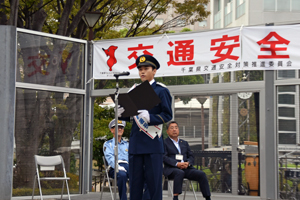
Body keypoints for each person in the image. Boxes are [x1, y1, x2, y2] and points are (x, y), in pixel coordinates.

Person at [118, 54, 173, 200]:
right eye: (140, 69)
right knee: (135, 184)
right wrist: (120, 113)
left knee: (154, 184)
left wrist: (151, 117)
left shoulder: (161, 90)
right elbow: (129, 117)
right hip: (136, 144)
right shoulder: (133, 91)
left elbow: (167, 115)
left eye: (146, 68)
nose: (142, 72)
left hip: (153, 143)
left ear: (154, 71)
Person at [163, 121, 211, 200]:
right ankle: (176, 197)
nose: (174, 130)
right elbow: (164, 157)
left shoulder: (184, 143)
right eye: (172, 128)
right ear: (167, 131)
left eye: (176, 128)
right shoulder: (164, 143)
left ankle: (208, 197)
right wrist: (176, 164)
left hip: (186, 168)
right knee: (179, 172)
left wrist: (188, 163)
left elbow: (191, 156)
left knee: (201, 174)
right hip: (172, 169)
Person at [103, 119, 129, 200]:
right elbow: (109, 158)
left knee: (143, 174)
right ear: (112, 130)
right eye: (118, 127)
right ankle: (123, 198)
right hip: (115, 167)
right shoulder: (108, 144)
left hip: (128, 166)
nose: (120, 129)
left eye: (122, 127)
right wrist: (117, 166)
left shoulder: (127, 144)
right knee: (122, 175)